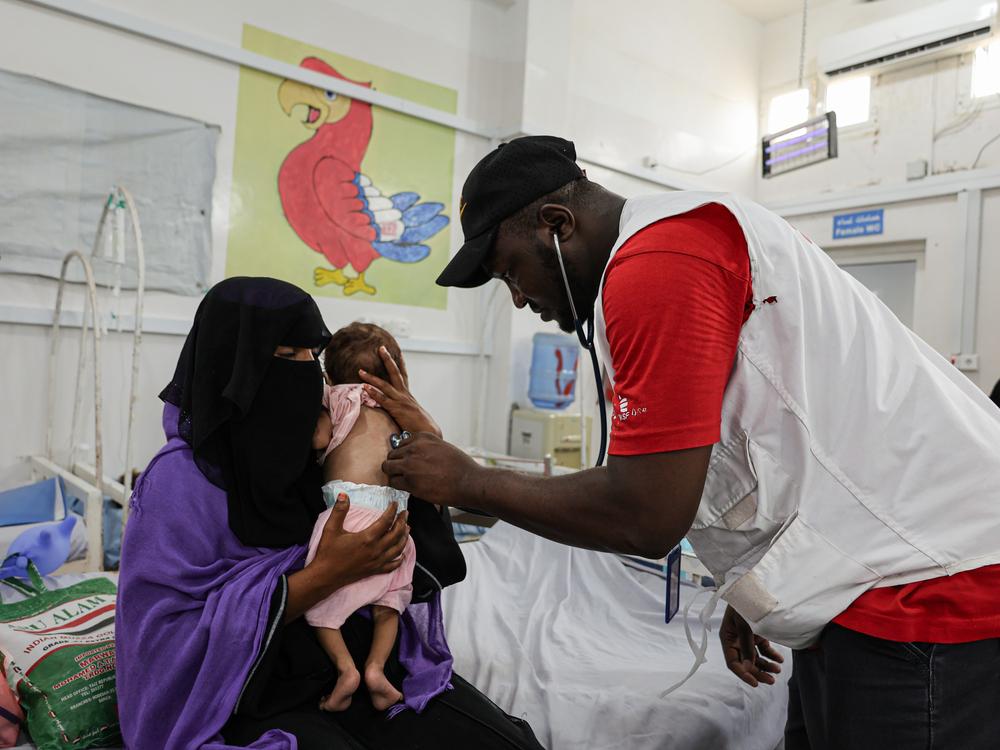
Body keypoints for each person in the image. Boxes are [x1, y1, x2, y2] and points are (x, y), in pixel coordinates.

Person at [370, 136, 1000, 749]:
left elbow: (645, 517)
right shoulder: (682, 244)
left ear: (557, 225)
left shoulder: (658, 265)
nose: (518, 298)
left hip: (926, 584)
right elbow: (775, 443)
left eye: (511, 271)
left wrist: (468, 480)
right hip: (856, 579)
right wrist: (754, 584)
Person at [115, 277, 544, 750]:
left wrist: (426, 438)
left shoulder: (314, 449)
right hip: (245, 694)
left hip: (359, 664)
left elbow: (419, 551)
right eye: (285, 356)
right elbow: (164, 643)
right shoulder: (180, 483)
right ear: (232, 367)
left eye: (311, 357)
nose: (305, 376)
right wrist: (325, 575)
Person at [307, 323, 418, 713]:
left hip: (349, 512)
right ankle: (376, 670)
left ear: (328, 374)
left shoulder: (335, 398)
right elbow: (428, 439)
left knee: (318, 603)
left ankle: (346, 672)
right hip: (396, 519)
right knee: (391, 602)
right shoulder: (399, 406)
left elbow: (319, 441)